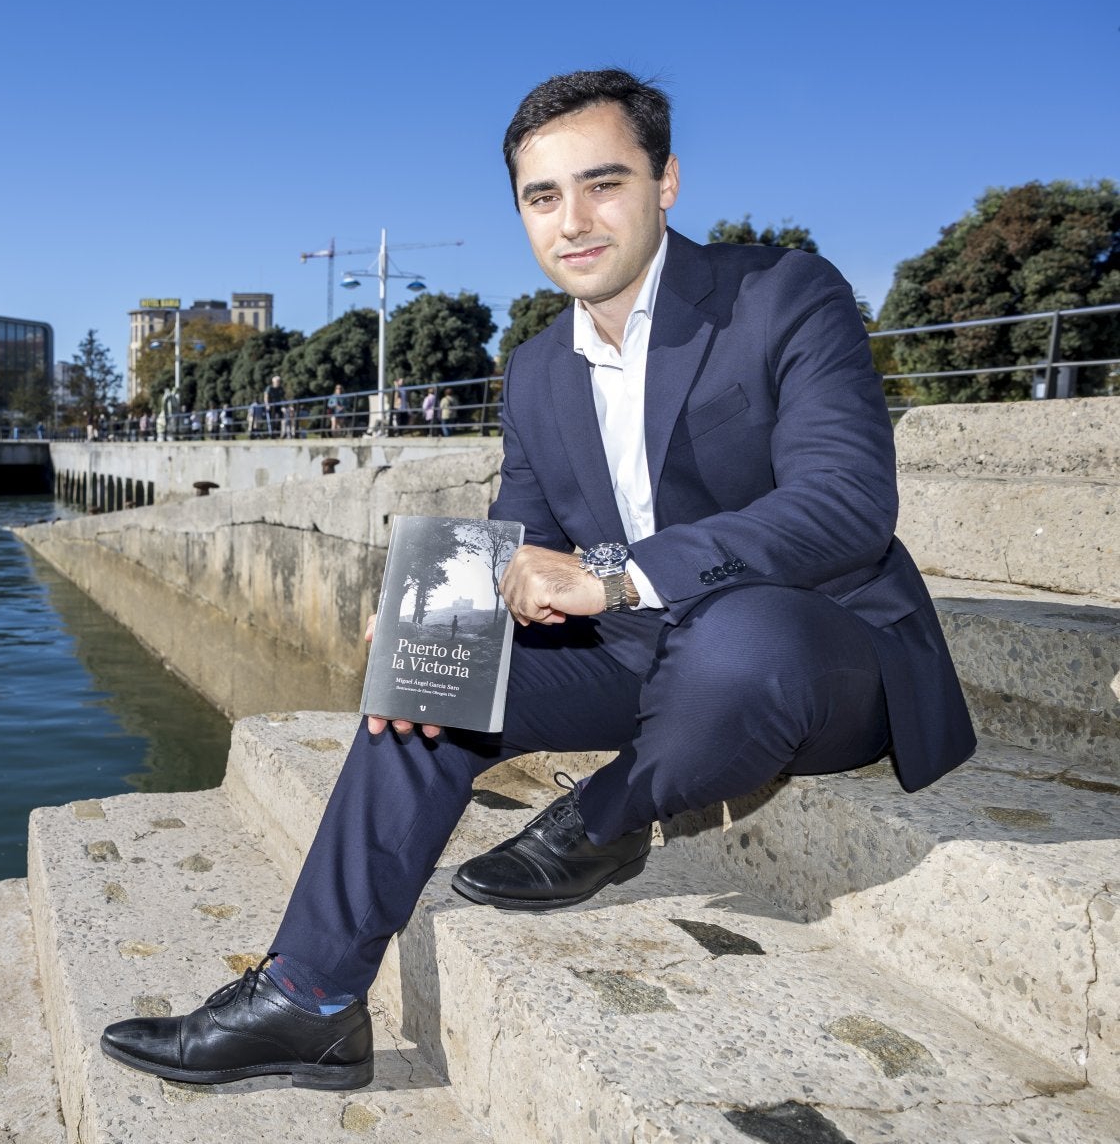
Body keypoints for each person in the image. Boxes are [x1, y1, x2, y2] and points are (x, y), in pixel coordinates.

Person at [99, 67, 975, 1092]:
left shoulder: (784, 295)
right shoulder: (535, 369)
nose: (575, 221)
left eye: (603, 184)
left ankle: (604, 815)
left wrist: (615, 573)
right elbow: (525, 543)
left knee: (739, 643)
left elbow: (847, 504)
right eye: (542, 196)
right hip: (638, 657)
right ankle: (312, 996)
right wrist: (442, 619)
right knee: (429, 682)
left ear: (667, 182)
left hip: (819, 651)